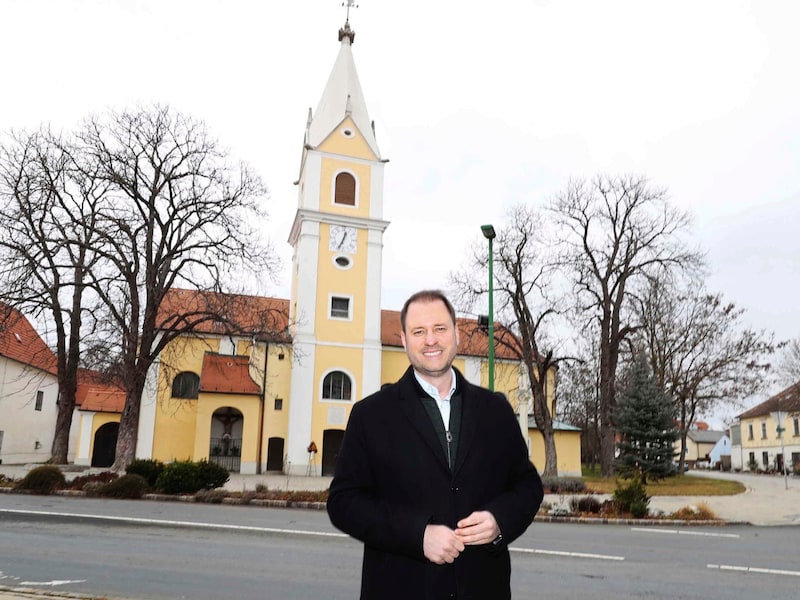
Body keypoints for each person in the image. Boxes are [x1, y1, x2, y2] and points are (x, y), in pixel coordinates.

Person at [327, 289, 544, 599]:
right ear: (404, 339)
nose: (431, 340)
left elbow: (527, 485)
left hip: (484, 588)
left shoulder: (495, 409)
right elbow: (344, 503)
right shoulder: (370, 415)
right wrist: (418, 535)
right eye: (419, 331)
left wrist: (500, 520)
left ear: (456, 333)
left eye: (440, 328)